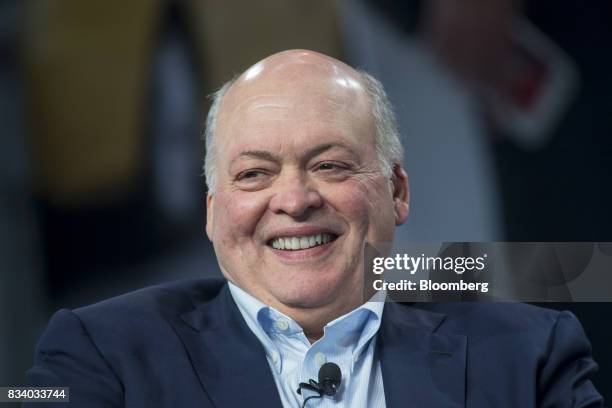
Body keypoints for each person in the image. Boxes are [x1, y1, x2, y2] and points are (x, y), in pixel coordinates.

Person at [25, 50, 602, 407]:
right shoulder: (102, 352)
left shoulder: (531, 356)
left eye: (329, 165)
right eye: (254, 174)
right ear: (211, 211)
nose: (295, 200)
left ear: (397, 192)